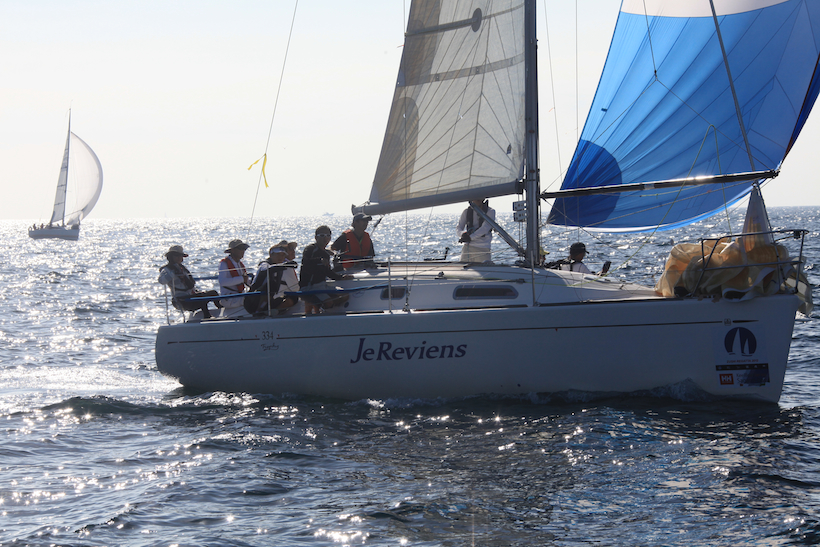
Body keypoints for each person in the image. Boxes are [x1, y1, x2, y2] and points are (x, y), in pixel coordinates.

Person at [300, 226, 353, 314]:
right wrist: (319, 260)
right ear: (316, 237)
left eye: (328, 235)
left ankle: (319, 306)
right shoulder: (310, 249)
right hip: (309, 287)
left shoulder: (326, 254)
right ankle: (313, 306)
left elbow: (328, 272)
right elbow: (306, 261)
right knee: (328, 303)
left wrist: (341, 277)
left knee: (344, 295)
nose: (325, 238)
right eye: (322, 235)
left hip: (322, 285)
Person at [158, 245, 220, 319]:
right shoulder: (166, 269)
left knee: (213, 293)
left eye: (180, 256)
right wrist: (172, 274)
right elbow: (161, 281)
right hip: (181, 300)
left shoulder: (182, 268)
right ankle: (207, 316)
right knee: (200, 297)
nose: (179, 257)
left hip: (191, 296)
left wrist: (196, 291)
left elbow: (190, 283)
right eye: (176, 255)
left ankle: (223, 311)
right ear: (170, 257)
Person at [244, 244, 298, 315]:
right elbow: (266, 269)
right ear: (271, 255)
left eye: (283, 255)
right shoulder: (264, 265)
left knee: (294, 298)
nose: (280, 257)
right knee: (272, 285)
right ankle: (258, 312)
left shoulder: (281, 267)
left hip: (268, 302)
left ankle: (275, 311)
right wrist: (284, 265)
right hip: (252, 302)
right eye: (278, 254)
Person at [218, 239, 251, 309]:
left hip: (239, 296)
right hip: (229, 298)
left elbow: (246, 281)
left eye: (244, 248)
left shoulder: (240, 264)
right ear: (232, 250)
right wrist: (242, 279)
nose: (243, 251)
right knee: (251, 299)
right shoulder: (224, 264)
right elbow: (222, 282)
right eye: (240, 248)